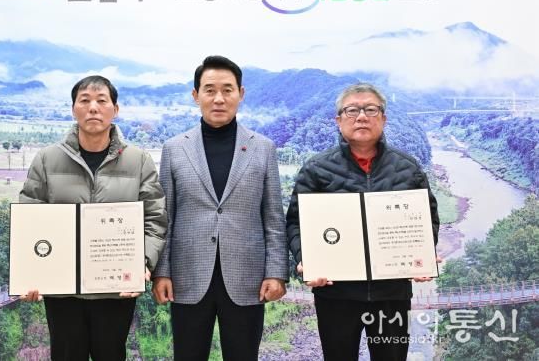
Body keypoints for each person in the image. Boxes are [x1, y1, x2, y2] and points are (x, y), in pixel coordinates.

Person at [285, 83, 440, 361]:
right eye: (352, 110)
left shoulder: (407, 168)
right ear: (338, 120)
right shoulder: (316, 169)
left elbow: (428, 218)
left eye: (370, 109)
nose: (361, 117)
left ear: (384, 118)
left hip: (391, 293)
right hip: (336, 293)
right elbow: (296, 223)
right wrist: (304, 259)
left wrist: (422, 256)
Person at [19, 75, 167, 361]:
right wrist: (30, 273)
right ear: (73, 108)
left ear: (115, 109)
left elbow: (155, 218)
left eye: (102, 101)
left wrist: (144, 262)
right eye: (84, 100)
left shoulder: (138, 161)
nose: (93, 108)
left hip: (115, 289)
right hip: (62, 290)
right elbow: (30, 218)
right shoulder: (47, 159)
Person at [152, 55, 288, 360]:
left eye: (227, 90)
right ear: (195, 95)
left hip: (247, 278)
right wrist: (161, 272)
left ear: (241, 93)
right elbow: (165, 218)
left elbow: (273, 219)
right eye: (209, 90)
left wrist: (276, 273)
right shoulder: (174, 148)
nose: (218, 98)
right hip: (187, 276)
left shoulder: (263, 148)